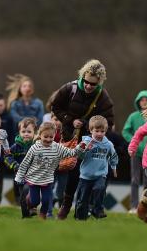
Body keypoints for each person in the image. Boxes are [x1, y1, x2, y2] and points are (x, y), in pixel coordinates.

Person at [49, 59, 114, 219]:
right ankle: (65, 206)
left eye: (93, 84)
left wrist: (87, 124)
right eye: (86, 81)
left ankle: (89, 209)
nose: (88, 85)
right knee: (72, 172)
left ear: (99, 82)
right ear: (82, 75)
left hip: (91, 140)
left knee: (88, 176)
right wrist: (70, 120)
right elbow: (55, 107)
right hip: (70, 136)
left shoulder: (103, 96)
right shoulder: (69, 88)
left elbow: (109, 121)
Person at [14, 122, 86, 219]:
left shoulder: (57, 147)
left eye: (51, 137)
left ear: (54, 135)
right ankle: (29, 201)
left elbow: (71, 153)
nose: (48, 139)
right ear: (40, 135)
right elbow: (25, 163)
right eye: (45, 137)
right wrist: (19, 177)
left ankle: (43, 215)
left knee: (46, 200)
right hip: (34, 179)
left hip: (48, 179)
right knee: (35, 201)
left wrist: (79, 148)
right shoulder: (34, 148)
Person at [75, 115, 118, 220]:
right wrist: (84, 149)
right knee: (82, 199)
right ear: (91, 130)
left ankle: (97, 210)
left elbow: (113, 156)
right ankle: (80, 217)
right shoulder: (85, 142)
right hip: (85, 176)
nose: (99, 134)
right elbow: (78, 155)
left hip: (100, 175)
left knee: (100, 188)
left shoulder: (108, 144)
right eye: (97, 131)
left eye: (102, 131)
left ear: (106, 131)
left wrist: (114, 168)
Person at [121, 90, 147, 213]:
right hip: (135, 153)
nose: (144, 102)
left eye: (146, 100)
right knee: (134, 180)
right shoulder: (133, 116)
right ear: (138, 102)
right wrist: (134, 142)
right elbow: (125, 131)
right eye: (141, 100)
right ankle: (134, 206)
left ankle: (145, 207)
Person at [3, 117, 37, 217]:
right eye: (23, 131)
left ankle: (33, 207)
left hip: (34, 175)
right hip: (20, 176)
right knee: (23, 195)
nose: (26, 134)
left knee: (31, 191)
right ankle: (25, 216)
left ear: (34, 132)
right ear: (19, 132)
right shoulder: (15, 147)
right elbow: (7, 157)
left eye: (29, 131)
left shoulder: (37, 145)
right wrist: (14, 165)